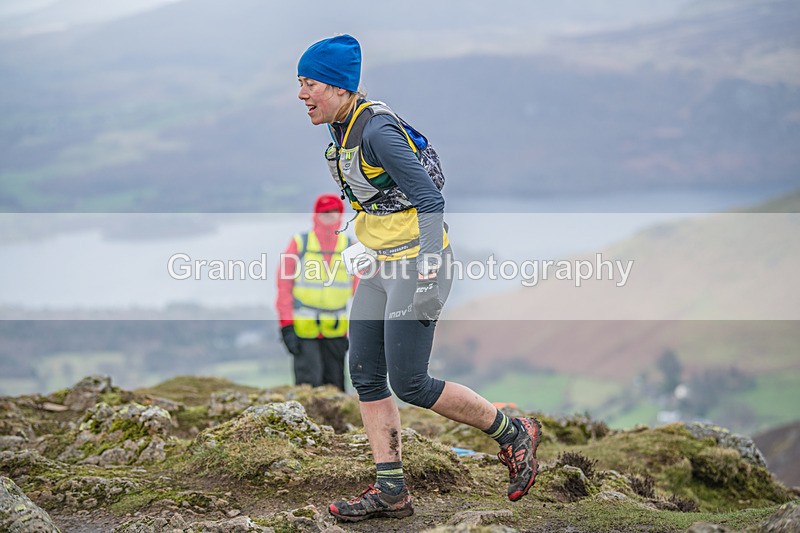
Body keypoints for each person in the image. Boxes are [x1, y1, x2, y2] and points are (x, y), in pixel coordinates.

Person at [296, 34, 542, 522]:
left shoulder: (376, 132)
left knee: (409, 381)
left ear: (340, 87)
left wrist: (429, 265)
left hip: (417, 265)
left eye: (310, 84)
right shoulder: (339, 126)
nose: (302, 94)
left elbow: (430, 199)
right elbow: (379, 199)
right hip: (380, 266)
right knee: (365, 373)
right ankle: (392, 491)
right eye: (300, 82)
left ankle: (513, 432)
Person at [275, 193, 354, 391]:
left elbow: (364, 292)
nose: (329, 216)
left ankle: (335, 424)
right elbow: (283, 287)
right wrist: (286, 326)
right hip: (303, 330)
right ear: (315, 215)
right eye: (324, 212)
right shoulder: (299, 243)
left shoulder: (350, 246)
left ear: (340, 215)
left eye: (333, 212)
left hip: (336, 330)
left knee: (336, 389)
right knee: (307, 389)